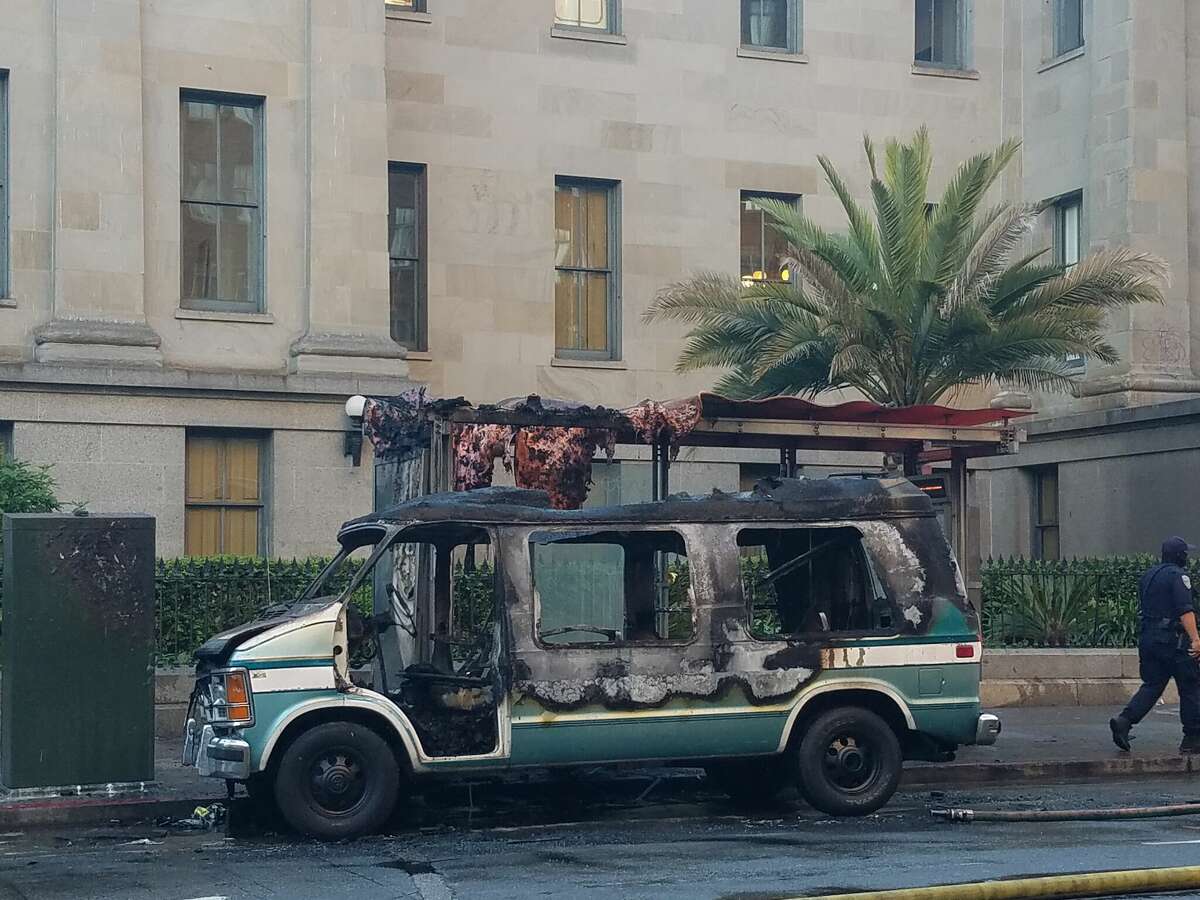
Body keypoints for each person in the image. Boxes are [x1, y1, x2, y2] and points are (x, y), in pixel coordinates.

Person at [1111, 537, 1200, 753]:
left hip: (1149, 639)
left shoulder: (1149, 575)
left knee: (1153, 685)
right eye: (1185, 554)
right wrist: (1196, 639)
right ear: (1180, 556)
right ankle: (1193, 737)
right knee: (1190, 686)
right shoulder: (1179, 576)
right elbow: (1185, 609)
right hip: (1174, 641)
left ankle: (1124, 721)